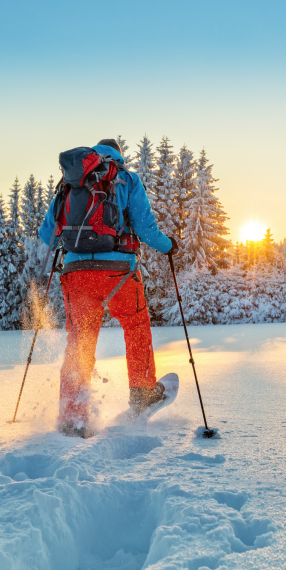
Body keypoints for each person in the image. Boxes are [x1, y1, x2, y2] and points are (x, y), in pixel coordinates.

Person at [39, 139, 177, 438]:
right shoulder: (126, 178)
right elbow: (144, 227)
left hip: (76, 274)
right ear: (118, 156)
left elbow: (47, 233)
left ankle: (72, 417)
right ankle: (142, 394)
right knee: (136, 325)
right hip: (118, 273)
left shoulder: (70, 182)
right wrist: (168, 247)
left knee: (80, 340)